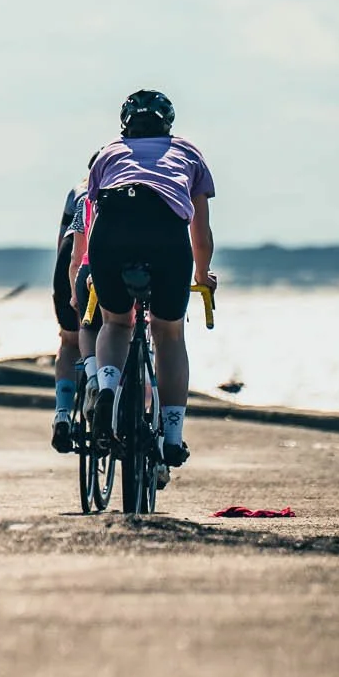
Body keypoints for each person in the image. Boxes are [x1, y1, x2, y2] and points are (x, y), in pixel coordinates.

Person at [86, 90, 216, 471]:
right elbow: (200, 230)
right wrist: (202, 273)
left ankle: (108, 389)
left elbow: (92, 214)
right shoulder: (188, 153)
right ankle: (173, 438)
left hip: (111, 232)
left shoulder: (108, 152)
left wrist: (95, 270)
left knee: (115, 321)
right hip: (165, 234)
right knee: (168, 333)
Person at [51, 168, 99, 453]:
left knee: (70, 340)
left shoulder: (79, 189)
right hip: (107, 256)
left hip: (71, 258)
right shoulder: (139, 183)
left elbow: (63, 243)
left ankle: (62, 412)